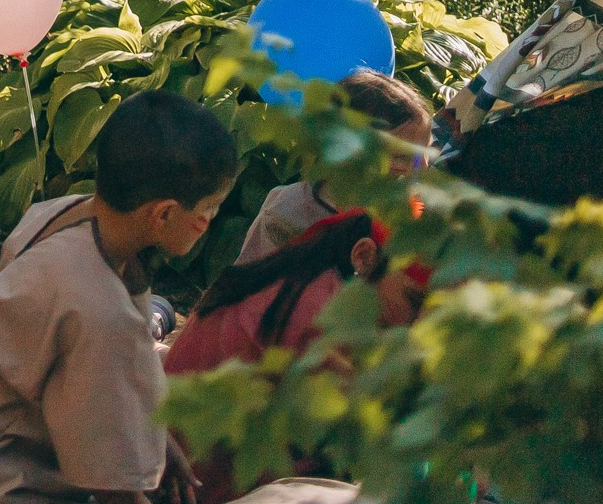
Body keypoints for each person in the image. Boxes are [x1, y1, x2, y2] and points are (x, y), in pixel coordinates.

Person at [0, 91, 241, 504]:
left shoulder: (57, 214)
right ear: (164, 213)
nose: (209, 221)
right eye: (211, 207)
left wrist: (160, 442)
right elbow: (112, 483)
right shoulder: (102, 314)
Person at [164, 210, 430, 502]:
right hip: (191, 487)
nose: (417, 327)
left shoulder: (313, 274)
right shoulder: (323, 319)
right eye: (413, 302)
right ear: (364, 257)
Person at [234, 71, 431, 264]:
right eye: (402, 157)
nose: (421, 166)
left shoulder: (402, 219)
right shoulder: (288, 212)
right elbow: (242, 285)